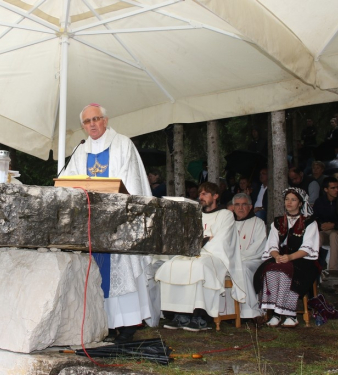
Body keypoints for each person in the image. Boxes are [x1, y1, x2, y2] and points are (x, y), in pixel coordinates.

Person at [61, 103, 158, 343]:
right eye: (87, 121)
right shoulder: (80, 150)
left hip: (118, 222)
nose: (92, 124)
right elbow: (67, 181)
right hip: (89, 223)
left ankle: (126, 326)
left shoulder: (123, 144)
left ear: (105, 120)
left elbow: (133, 184)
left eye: (96, 119)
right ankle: (99, 322)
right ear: (83, 126)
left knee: (121, 271)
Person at [155, 182, 245, 332]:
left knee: (199, 266)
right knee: (171, 265)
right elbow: (187, 236)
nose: (200, 197)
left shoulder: (225, 214)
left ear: (215, 196)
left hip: (215, 256)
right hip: (193, 253)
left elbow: (221, 240)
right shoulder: (195, 214)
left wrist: (200, 244)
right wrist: (201, 241)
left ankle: (200, 316)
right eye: (200, 194)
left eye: (205, 194)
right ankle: (180, 314)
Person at [254, 188, 320, 328]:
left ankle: (290, 314)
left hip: (303, 260)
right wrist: (277, 256)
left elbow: (307, 248)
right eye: (287, 199)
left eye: (293, 200)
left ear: (301, 203)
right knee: (270, 270)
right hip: (282, 258)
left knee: (285, 272)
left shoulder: (309, 222)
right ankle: (276, 313)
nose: (289, 202)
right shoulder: (278, 222)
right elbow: (272, 244)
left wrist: (289, 257)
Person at [219, 193, 266, 320]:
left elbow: (258, 248)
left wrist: (235, 261)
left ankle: (250, 311)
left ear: (250, 206)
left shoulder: (258, 223)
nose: (240, 208)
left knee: (242, 268)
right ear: (232, 207)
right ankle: (226, 312)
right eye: (237, 205)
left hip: (253, 262)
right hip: (230, 262)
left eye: (244, 204)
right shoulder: (228, 225)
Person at [313, 177, 338, 277]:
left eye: (337, 187)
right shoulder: (320, 202)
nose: (336, 190)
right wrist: (321, 225)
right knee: (317, 236)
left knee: (334, 235)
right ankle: (314, 267)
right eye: (333, 188)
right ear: (326, 189)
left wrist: (334, 225)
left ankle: (333, 271)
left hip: (336, 231)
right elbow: (314, 218)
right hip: (324, 231)